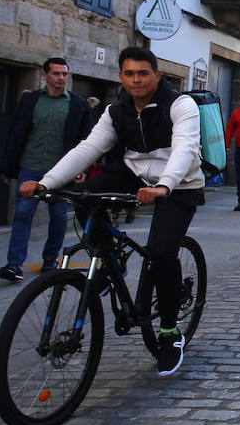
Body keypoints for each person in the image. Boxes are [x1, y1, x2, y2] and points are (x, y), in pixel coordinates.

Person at [20, 47, 202, 377]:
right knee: (84, 196)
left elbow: (186, 149)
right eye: (129, 73)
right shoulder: (115, 110)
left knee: (161, 253)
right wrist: (46, 182)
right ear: (121, 76)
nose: (136, 80)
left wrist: (164, 186)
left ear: (156, 76)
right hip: (135, 174)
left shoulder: (180, 105)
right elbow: (88, 148)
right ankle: (107, 259)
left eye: (143, 73)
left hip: (180, 183)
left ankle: (170, 332)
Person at [0, 58, 94, 282]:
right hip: (30, 166)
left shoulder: (77, 105)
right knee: (22, 214)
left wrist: (82, 167)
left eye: (64, 74)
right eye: (56, 73)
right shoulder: (30, 101)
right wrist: (7, 168)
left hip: (60, 171)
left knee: (59, 217)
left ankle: (50, 262)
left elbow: (86, 141)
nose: (61, 78)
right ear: (45, 75)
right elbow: (15, 134)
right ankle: (14, 265)